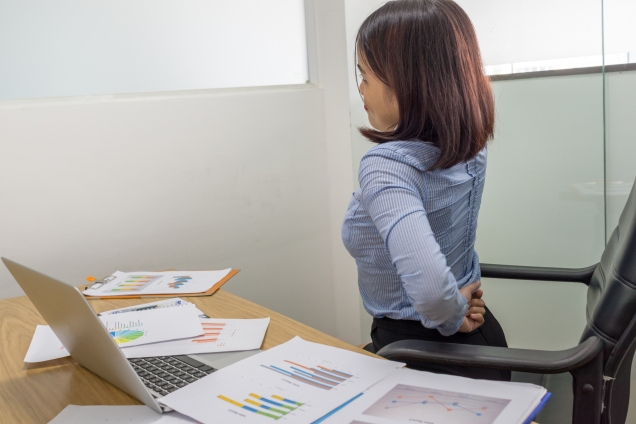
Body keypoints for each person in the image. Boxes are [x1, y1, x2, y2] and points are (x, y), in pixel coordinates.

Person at [342, 0, 510, 381]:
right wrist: (458, 311)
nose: (360, 87)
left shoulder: (388, 166)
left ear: (410, 83)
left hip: (422, 355)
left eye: (366, 75)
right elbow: (451, 242)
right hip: (481, 344)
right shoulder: (469, 147)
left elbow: (434, 294)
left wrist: (451, 316)